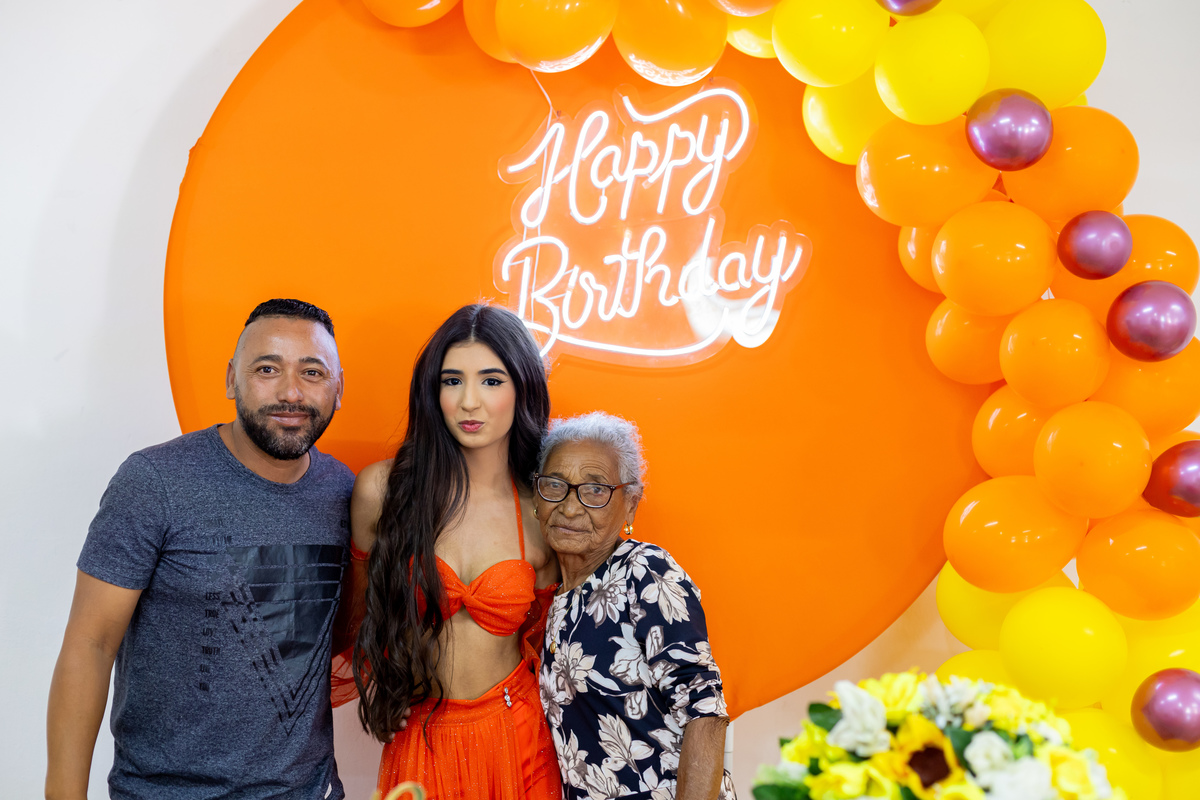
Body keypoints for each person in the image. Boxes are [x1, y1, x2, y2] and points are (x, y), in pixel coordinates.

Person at [45, 299, 354, 800]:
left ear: (339, 389)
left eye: (312, 372)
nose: (291, 392)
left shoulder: (344, 491)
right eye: (267, 369)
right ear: (232, 380)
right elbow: (90, 644)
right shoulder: (155, 482)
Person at [341, 304, 562, 799]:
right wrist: (387, 684)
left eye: (491, 381)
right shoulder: (384, 491)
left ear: (523, 388)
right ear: (432, 391)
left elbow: (553, 646)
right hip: (422, 738)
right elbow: (360, 615)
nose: (469, 402)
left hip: (519, 738)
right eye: (452, 381)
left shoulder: (540, 511)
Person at [533, 412, 736, 800]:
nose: (570, 508)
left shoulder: (644, 571)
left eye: (595, 490)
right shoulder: (552, 598)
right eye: (555, 485)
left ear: (630, 504)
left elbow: (704, 712)